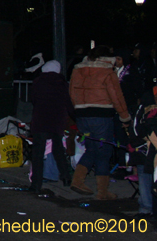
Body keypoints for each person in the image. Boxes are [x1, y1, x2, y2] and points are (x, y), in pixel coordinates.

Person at [69, 45, 131, 199]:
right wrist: (125, 117)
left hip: (82, 115)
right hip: (102, 116)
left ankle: (77, 180)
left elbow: (71, 92)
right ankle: (102, 192)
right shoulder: (107, 72)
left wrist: (78, 111)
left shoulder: (77, 70)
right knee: (104, 152)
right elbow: (116, 96)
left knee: (91, 149)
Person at [29, 60, 74, 193]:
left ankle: (36, 184)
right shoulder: (62, 84)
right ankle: (66, 177)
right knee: (58, 150)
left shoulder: (37, 82)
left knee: (38, 153)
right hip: (57, 120)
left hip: (41, 120)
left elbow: (33, 99)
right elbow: (68, 102)